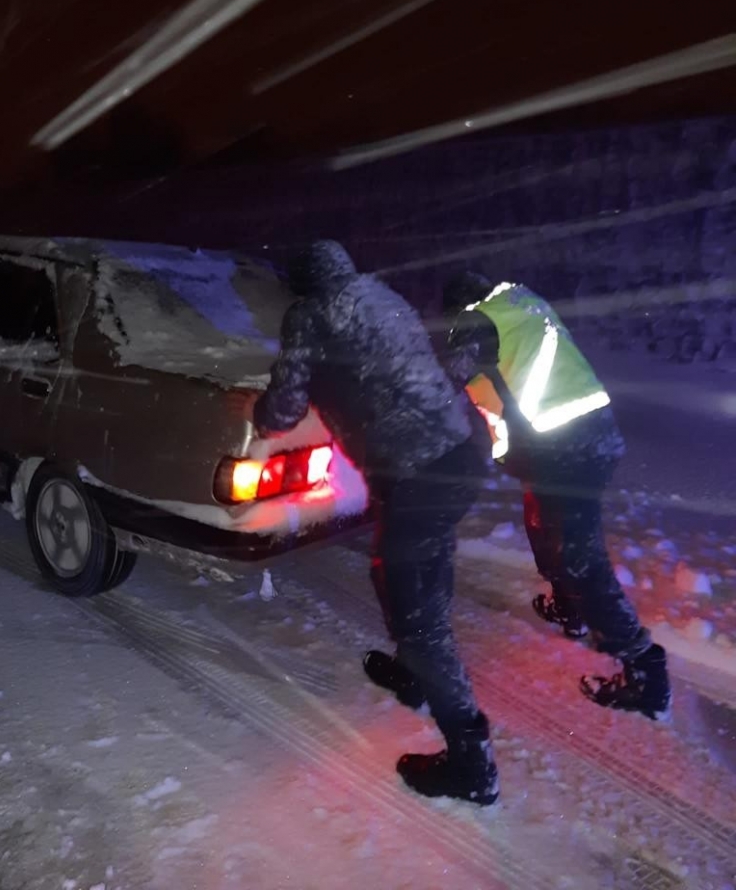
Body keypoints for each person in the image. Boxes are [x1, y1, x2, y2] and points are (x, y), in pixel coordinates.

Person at [254, 241, 498, 805]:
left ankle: (472, 766)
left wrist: (259, 411)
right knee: (414, 575)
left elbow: (284, 407)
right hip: (456, 457)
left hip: (419, 475)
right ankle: (416, 670)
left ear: (301, 283)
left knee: (416, 609)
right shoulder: (382, 294)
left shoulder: (310, 316)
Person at [441, 272, 671, 722]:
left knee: (581, 556)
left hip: (569, 449)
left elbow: (441, 383)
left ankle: (647, 670)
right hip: (577, 439)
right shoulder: (521, 304)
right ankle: (570, 607)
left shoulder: (478, 323)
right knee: (543, 525)